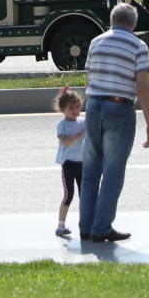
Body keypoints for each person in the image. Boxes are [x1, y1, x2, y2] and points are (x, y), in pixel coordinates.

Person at [76, 3, 149, 243]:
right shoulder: (138, 46)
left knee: (90, 171)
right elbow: (142, 87)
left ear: (112, 20)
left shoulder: (95, 42)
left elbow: (89, 78)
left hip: (93, 106)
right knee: (113, 172)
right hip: (119, 108)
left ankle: (85, 226)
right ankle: (101, 227)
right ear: (133, 24)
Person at [53, 86, 85, 237]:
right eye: (71, 108)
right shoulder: (62, 125)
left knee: (85, 194)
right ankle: (61, 225)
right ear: (62, 109)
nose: (75, 111)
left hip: (82, 162)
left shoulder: (83, 122)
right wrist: (80, 135)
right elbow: (65, 142)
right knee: (68, 194)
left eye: (77, 107)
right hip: (68, 164)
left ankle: (86, 222)